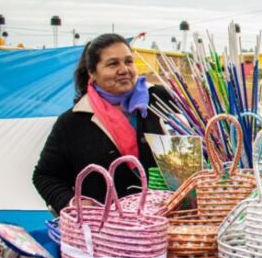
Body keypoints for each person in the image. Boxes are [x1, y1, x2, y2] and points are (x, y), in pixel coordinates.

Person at [33, 33, 171, 214]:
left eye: (128, 61)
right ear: (92, 72)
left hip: (172, 219)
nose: (124, 70)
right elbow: (45, 176)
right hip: (107, 227)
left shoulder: (161, 100)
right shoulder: (73, 122)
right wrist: (72, 203)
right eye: (113, 64)